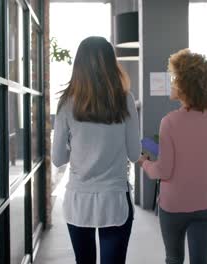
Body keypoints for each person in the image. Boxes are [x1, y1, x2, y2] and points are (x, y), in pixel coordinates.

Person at [52, 36, 140, 264]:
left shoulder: (66, 103)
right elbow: (134, 154)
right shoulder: (125, 100)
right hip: (115, 199)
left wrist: (79, 146)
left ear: (79, 66)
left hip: (78, 199)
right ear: (111, 65)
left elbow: (58, 158)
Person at [137, 49, 207, 264]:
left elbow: (163, 171)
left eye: (175, 78)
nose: (172, 83)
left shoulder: (169, 122)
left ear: (186, 85)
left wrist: (145, 163)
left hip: (174, 208)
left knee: (174, 258)